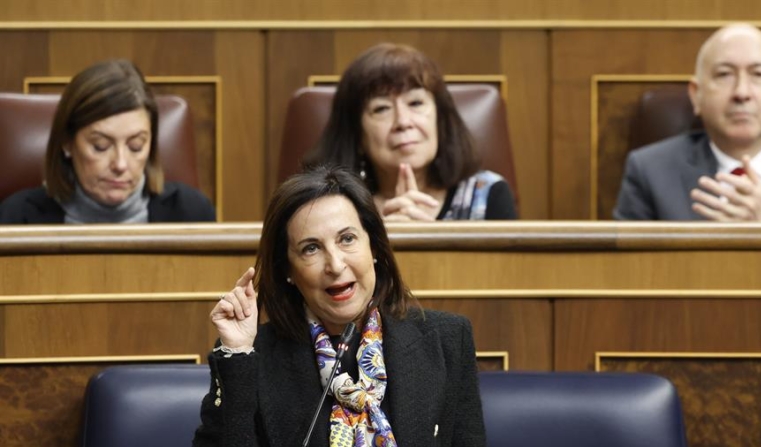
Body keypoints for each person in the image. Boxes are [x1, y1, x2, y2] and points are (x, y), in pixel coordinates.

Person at [193, 166, 485, 447]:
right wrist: (238, 353)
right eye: (311, 248)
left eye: (347, 239)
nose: (335, 264)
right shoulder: (255, 357)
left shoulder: (447, 339)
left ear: (374, 248)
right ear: (288, 271)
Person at [304, 43, 517, 221]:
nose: (403, 122)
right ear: (356, 134)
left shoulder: (487, 194)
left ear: (439, 120)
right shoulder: (329, 207)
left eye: (415, 103)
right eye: (381, 108)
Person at [613, 23, 761, 221]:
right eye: (724, 74)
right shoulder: (649, 171)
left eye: (758, 74)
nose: (741, 92)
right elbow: (632, 254)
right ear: (696, 95)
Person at [0, 59, 215, 223]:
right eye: (100, 146)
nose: (120, 164)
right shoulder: (17, 219)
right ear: (67, 142)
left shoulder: (191, 213)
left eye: (136, 146)